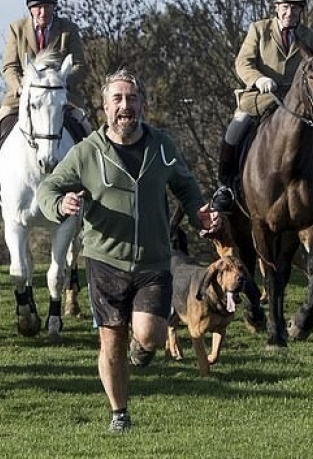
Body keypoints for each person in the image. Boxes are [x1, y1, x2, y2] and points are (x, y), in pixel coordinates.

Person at [37, 69, 219, 433]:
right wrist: (61, 205)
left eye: (132, 99)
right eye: (117, 99)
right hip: (105, 261)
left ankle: (144, 348)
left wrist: (200, 212)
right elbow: (48, 189)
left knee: (150, 334)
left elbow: (185, 185)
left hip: (154, 260)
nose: (125, 106)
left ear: (142, 104)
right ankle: (119, 413)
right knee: (111, 341)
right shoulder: (87, 152)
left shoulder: (161, 145)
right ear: (105, 107)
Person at [210, 0, 313, 215]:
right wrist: (258, 79)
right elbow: (243, 62)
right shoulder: (259, 30)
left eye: (295, 8)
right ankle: (225, 187)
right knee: (234, 129)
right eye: (286, 7)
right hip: (260, 98)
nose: (290, 12)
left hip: (297, 103)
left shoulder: (309, 37)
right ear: (277, 8)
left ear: (301, 11)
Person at [0, 0, 90, 208]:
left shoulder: (68, 30)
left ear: (54, 7)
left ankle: (91, 182)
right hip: (23, 95)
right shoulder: (17, 28)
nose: (42, 12)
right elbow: (9, 67)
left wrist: (62, 81)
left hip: (59, 94)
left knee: (85, 127)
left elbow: (80, 66)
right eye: (38, 7)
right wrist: (20, 86)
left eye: (47, 6)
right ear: (30, 9)